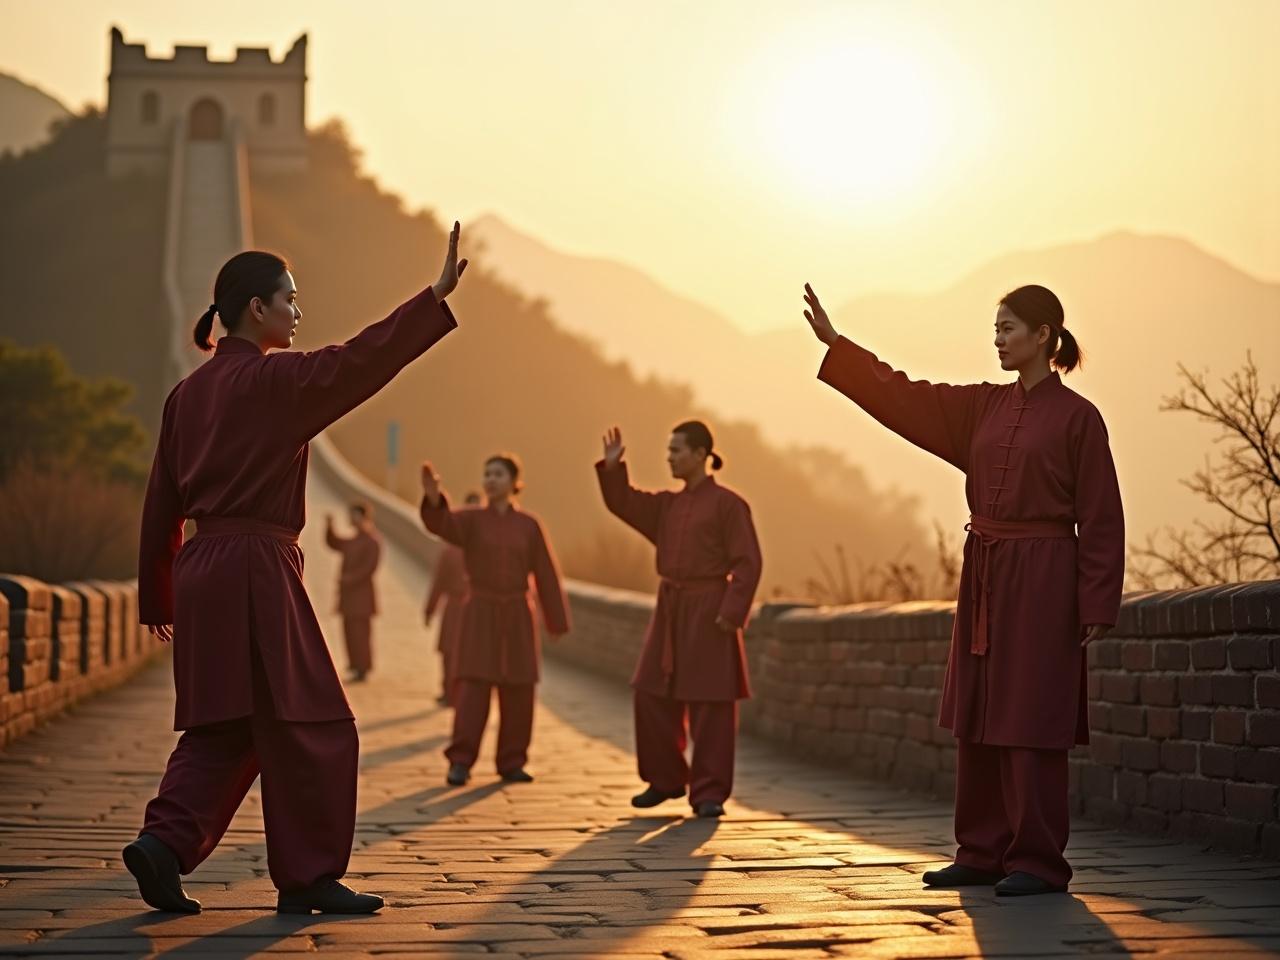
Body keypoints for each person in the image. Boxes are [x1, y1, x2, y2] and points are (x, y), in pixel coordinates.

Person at [128, 224, 467, 915]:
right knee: (314, 719)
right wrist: (431, 299)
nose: (297, 313)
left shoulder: (184, 396)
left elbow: (160, 501)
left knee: (224, 723)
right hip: (256, 565)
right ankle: (310, 876)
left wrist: (157, 594)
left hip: (200, 568)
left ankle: (163, 845)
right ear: (257, 308)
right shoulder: (276, 381)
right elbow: (359, 361)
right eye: (290, 299)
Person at [802, 281, 1124, 896]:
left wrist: (1096, 600)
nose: (998, 339)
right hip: (985, 576)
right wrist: (840, 348)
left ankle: (1036, 860)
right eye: (996, 329)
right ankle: (980, 851)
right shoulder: (982, 407)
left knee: (1030, 716)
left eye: (1008, 328)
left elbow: (1102, 515)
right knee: (977, 713)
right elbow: (905, 395)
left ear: (1043, 336)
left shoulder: (1080, 418)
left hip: (1046, 579)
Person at [595, 421, 763, 819]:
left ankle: (708, 792)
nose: (669, 457)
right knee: (650, 692)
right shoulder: (668, 506)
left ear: (702, 454)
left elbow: (748, 562)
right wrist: (615, 468)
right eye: (668, 450)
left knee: (712, 704)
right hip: (671, 609)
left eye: (676, 450)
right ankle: (666, 778)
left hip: (710, 610)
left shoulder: (729, 505)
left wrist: (731, 612)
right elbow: (626, 503)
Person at [419, 455, 569, 786]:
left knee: (519, 689)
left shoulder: (529, 525)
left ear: (515, 481)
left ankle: (512, 761)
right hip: (481, 611)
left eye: (498, 474)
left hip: (517, 612)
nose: (490, 479)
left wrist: (555, 619)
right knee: (472, 688)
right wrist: (433, 499)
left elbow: (545, 572)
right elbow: (443, 525)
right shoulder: (471, 520)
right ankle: (461, 760)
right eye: (487, 474)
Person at [424, 491, 481, 705]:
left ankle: (465, 695)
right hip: (455, 605)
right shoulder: (450, 550)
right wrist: (430, 609)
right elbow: (439, 581)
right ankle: (449, 691)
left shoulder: (486, 546)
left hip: (479, 607)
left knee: (472, 654)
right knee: (449, 651)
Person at [325, 501, 382, 682]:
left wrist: (348, 579)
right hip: (349, 597)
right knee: (349, 633)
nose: (350, 518)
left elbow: (369, 569)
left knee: (360, 634)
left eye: (353, 515)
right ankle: (355, 665)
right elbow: (335, 543)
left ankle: (363, 666)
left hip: (362, 597)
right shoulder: (354, 540)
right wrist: (329, 527)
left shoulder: (372, 541)